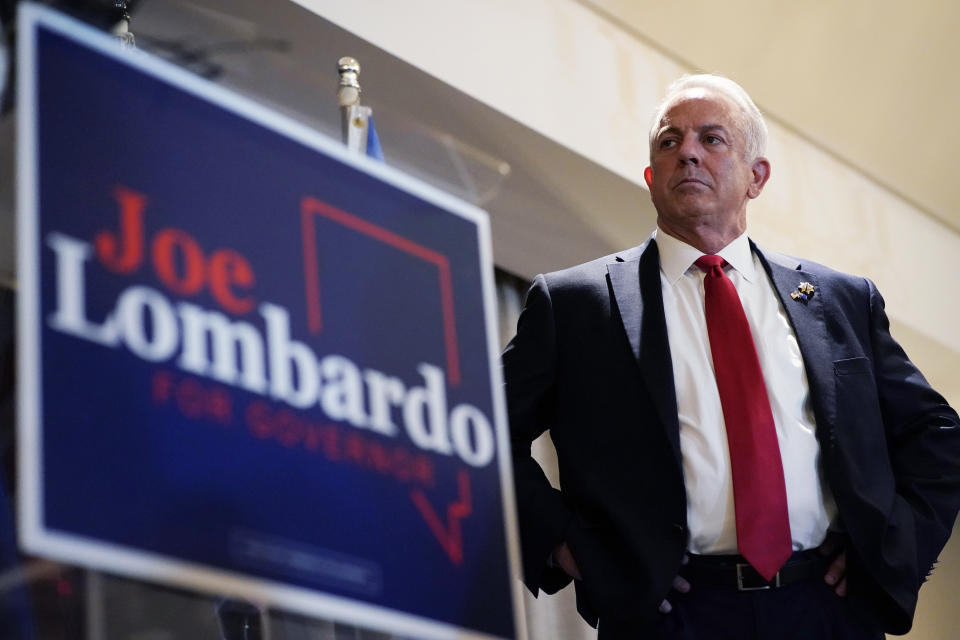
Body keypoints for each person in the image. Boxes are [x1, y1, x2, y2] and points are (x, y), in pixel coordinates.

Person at [502, 74, 960, 639]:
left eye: (712, 139)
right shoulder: (575, 304)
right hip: (669, 614)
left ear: (756, 176)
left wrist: (894, 549)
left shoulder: (841, 299)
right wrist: (567, 548)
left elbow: (937, 434)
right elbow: (487, 430)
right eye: (669, 142)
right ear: (651, 178)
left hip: (828, 608)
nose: (688, 152)